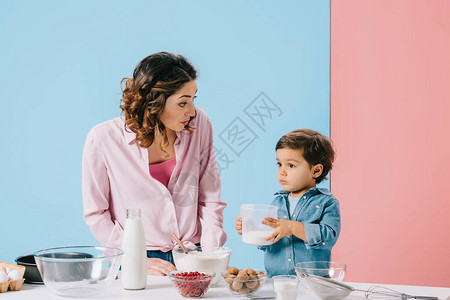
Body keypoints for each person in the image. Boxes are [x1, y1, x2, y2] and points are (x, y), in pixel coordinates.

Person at [82, 52, 227, 276]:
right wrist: (135, 258)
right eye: (182, 103)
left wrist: (211, 255)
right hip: (138, 259)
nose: (191, 111)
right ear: (155, 102)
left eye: (193, 99)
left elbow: (209, 197)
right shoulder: (102, 139)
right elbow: (96, 213)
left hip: (193, 254)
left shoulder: (200, 124)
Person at [235, 129, 341, 277]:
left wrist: (292, 227)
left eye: (291, 165)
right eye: (279, 164)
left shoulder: (327, 202)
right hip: (277, 281)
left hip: (313, 284)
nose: (282, 172)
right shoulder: (277, 202)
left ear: (316, 171)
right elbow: (270, 239)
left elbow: (328, 238)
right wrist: (251, 229)